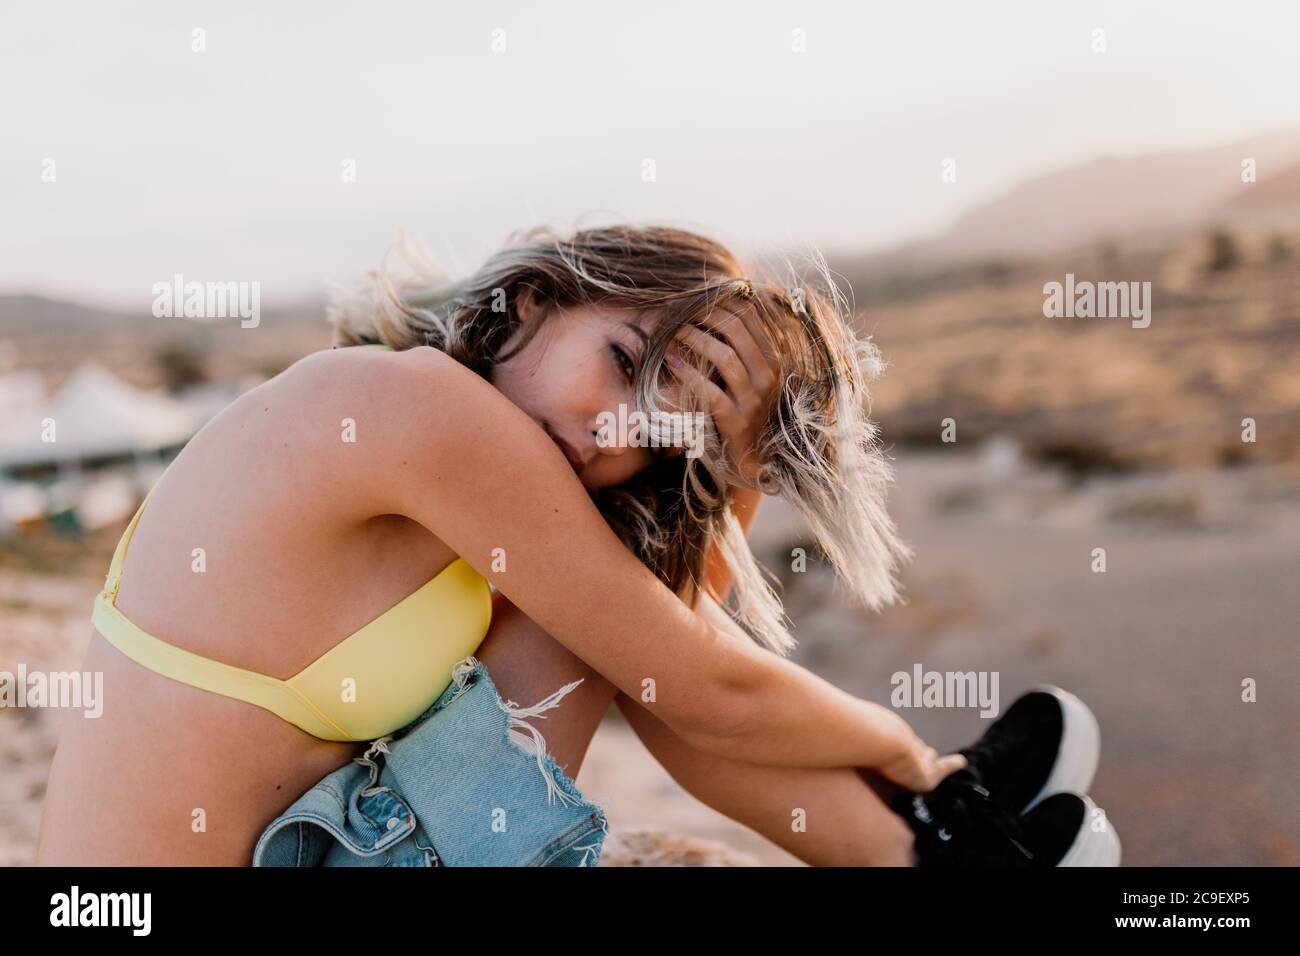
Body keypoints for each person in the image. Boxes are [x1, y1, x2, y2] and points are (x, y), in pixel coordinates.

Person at [37, 224, 1113, 866]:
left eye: (659, 430)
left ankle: (916, 847)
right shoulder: (413, 409)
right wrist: (915, 757)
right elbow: (702, 687)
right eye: (621, 359)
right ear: (535, 297)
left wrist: (730, 467)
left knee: (619, 610)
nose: (614, 431)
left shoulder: (433, 432)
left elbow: (673, 652)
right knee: (628, 626)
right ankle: (929, 831)